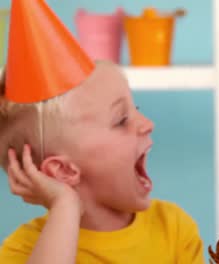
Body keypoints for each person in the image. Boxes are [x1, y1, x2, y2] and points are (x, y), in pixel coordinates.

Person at [0, 1, 205, 263]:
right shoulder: (24, 250)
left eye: (136, 108)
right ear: (64, 171)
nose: (147, 123)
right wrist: (65, 206)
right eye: (121, 120)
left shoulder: (173, 229)